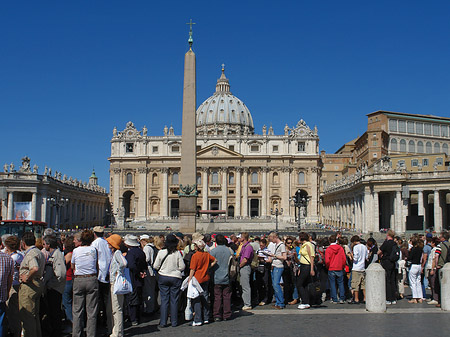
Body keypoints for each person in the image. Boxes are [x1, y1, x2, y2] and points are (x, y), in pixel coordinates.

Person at [153, 234, 185, 328]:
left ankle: (163, 321)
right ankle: (174, 321)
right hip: (175, 277)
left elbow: (155, 266)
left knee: (164, 300)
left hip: (163, 276)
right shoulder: (177, 253)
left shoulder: (161, 252)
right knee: (174, 300)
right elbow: (182, 266)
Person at [71, 230, 99, 337]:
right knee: (91, 311)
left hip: (79, 279)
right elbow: (96, 265)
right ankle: (91, 334)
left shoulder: (76, 251)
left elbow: (73, 266)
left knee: (77, 310)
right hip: (91, 278)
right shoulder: (93, 250)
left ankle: (76, 334)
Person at [18, 231, 46, 337]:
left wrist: (27, 277)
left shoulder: (30, 254)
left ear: (23, 243)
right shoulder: (39, 252)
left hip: (30, 286)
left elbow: (34, 268)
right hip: (38, 283)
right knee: (34, 315)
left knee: (27, 315)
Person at [41, 235, 66, 337]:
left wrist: (52, 284)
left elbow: (61, 274)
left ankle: (56, 332)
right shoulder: (52, 254)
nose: (43, 246)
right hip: (51, 287)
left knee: (55, 311)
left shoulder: (57, 255)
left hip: (55, 288)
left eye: (44, 244)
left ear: (48, 245)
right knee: (51, 311)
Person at [188, 239, 216, 326]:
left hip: (197, 279)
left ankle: (198, 319)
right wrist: (209, 267)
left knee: (196, 299)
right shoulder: (207, 255)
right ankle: (206, 317)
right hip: (206, 277)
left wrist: (189, 279)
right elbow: (215, 260)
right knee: (205, 297)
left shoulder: (195, 256)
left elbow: (192, 269)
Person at [91, 226, 112, 332]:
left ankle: (99, 319)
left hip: (98, 273)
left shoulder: (95, 244)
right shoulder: (106, 242)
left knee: (98, 299)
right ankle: (107, 320)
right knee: (106, 299)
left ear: (94, 233)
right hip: (107, 272)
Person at [124, 235, 147, 326]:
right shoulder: (141, 252)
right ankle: (138, 316)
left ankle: (133, 318)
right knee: (139, 297)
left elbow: (132, 265)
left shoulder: (131, 253)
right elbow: (144, 264)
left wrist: (138, 272)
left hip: (133, 277)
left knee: (132, 299)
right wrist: (142, 272)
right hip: (140, 278)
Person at [106, 234, 127, 337]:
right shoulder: (114, 253)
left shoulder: (117, 253)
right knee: (114, 308)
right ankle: (115, 330)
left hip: (116, 283)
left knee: (117, 308)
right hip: (113, 282)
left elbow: (124, 263)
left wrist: (118, 271)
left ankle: (118, 332)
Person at [3, 235, 23, 337]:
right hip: (17, 284)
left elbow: (10, 274)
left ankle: (14, 331)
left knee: (12, 311)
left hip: (12, 285)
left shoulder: (11, 258)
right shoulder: (20, 255)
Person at [210, 234, 232, 321]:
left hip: (216, 277)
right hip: (227, 276)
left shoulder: (213, 251)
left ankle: (217, 315)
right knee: (227, 297)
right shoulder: (229, 250)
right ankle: (227, 314)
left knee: (217, 297)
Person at [295, 232, 315, 309]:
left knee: (299, 284)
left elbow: (311, 257)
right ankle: (306, 301)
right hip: (303, 266)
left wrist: (312, 269)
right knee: (305, 284)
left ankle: (305, 301)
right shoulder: (303, 245)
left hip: (307, 266)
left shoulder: (308, 245)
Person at [378, 229, 398, 305]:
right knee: (393, 280)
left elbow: (379, 251)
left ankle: (388, 298)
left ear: (387, 235)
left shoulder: (386, 243)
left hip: (386, 262)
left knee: (387, 280)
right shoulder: (394, 243)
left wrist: (381, 255)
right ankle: (393, 298)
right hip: (393, 263)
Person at [325, 234, 346, 304]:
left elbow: (327, 260)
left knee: (332, 284)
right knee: (340, 283)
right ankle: (342, 298)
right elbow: (344, 259)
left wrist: (328, 266)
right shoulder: (340, 248)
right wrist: (342, 266)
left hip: (331, 268)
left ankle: (334, 299)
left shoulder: (328, 249)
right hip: (339, 267)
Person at [267, 232, 287, 310]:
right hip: (274, 265)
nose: (270, 241)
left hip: (279, 266)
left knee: (276, 284)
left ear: (275, 237)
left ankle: (281, 302)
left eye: (271, 239)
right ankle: (278, 302)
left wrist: (274, 256)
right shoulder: (276, 245)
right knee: (274, 284)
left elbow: (284, 257)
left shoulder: (281, 245)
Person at [140, 235, 158, 315]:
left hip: (148, 270)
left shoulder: (147, 248)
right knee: (152, 290)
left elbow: (146, 258)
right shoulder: (153, 247)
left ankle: (149, 309)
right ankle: (153, 307)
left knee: (148, 291)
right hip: (153, 271)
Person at [0, 237, 14, 337]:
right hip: (2, 293)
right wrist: (8, 291)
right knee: (1, 321)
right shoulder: (8, 258)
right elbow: (10, 278)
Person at [238, 232, 254, 310]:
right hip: (243, 267)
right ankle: (244, 302)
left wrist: (239, 266)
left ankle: (247, 304)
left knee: (245, 286)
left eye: (240, 237)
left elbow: (245, 259)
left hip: (245, 267)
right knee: (243, 285)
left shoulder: (248, 247)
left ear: (243, 238)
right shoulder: (244, 246)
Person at [62, 236, 75, 330]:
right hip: (71, 279)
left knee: (67, 303)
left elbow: (63, 264)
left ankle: (71, 323)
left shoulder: (70, 254)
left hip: (68, 279)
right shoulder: (74, 253)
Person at [350, 235, 367, 304]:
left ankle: (356, 299)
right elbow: (366, 257)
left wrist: (351, 255)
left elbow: (355, 258)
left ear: (354, 241)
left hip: (356, 268)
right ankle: (365, 298)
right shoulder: (364, 247)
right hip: (363, 267)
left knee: (355, 284)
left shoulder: (356, 247)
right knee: (363, 285)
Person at [407, 236, 424, 304]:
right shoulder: (420, 248)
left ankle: (414, 298)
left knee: (413, 282)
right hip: (419, 265)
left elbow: (410, 257)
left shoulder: (413, 249)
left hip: (413, 265)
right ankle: (420, 297)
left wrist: (409, 252)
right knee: (418, 281)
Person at [426, 237, 440, 305]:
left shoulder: (435, 249)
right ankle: (433, 297)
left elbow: (434, 259)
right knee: (431, 283)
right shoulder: (433, 249)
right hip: (431, 268)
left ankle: (435, 298)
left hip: (433, 268)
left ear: (433, 243)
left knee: (433, 283)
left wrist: (432, 269)